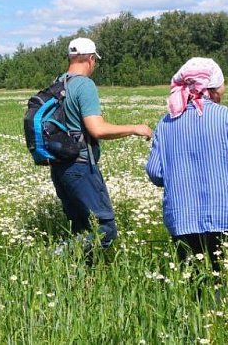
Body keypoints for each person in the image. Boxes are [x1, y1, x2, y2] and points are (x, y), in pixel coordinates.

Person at [145, 57, 228, 275]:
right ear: (213, 88)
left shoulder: (166, 122)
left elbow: (156, 173)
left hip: (182, 219)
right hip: (226, 216)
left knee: (192, 282)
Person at [51, 38, 152, 253]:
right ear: (90, 59)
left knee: (80, 228)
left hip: (60, 166)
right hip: (80, 167)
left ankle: (79, 278)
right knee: (105, 229)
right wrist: (135, 128)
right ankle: (52, 259)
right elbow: (97, 129)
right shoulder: (84, 85)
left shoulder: (58, 83)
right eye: (95, 60)